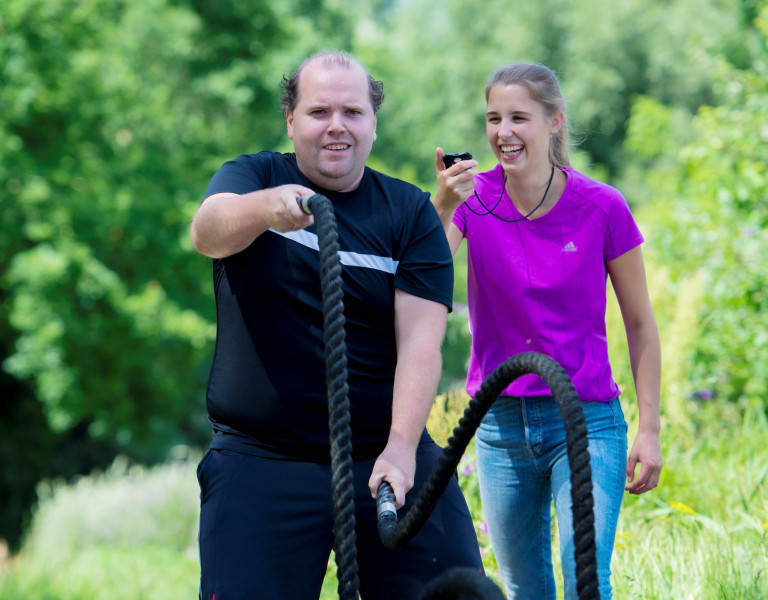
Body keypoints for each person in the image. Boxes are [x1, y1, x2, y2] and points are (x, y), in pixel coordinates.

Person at [190, 50, 483, 600]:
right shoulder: (252, 176)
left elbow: (421, 339)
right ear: (290, 120)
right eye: (319, 111)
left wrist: (400, 446)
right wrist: (263, 210)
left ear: (373, 124)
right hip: (263, 458)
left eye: (352, 112)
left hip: (382, 450)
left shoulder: (410, 211)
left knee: (457, 589)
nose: (336, 127)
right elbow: (208, 233)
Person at [432, 63, 663, 599]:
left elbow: (640, 323)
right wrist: (441, 203)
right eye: (493, 119)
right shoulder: (473, 199)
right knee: (523, 587)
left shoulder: (603, 206)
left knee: (587, 579)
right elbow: (423, 283)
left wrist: (649, 429)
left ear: (554, 122)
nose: (502, 132)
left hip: (585, 419)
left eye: (518, 118)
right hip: (499, 424)